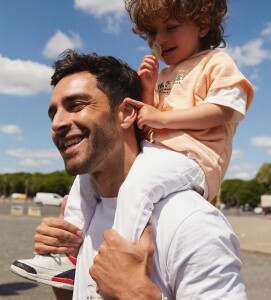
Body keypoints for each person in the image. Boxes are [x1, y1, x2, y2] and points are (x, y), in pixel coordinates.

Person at [10, 50, 247, 299]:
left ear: (126, 113)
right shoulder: (86, 216)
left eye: (76, 106)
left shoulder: (190, 222)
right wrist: (62, 263)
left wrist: (137, 294)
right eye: (53, 113)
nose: (57, 123)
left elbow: (227, 108)